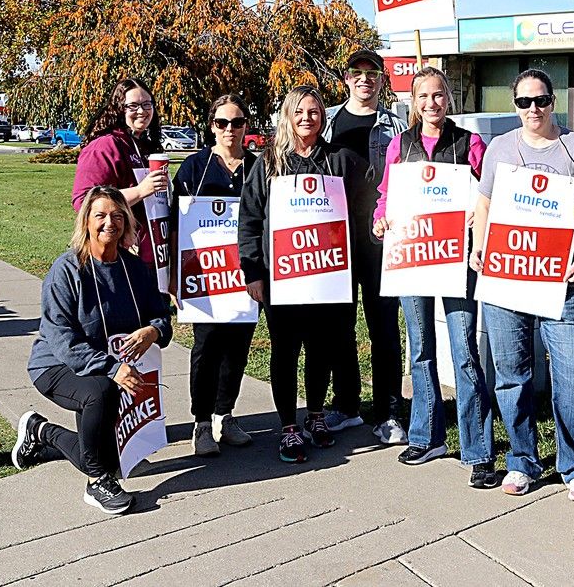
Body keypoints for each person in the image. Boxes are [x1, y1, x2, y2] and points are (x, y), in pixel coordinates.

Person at [470, 68, 574, 501]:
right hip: (507, 279)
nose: (533, 110)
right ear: (514, 106)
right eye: (524, 102)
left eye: (541, 101)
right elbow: (484, 203)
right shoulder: (500, 147)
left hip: (563, 284)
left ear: (554, 101)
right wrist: (479, 246)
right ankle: (522, 460)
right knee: (511, 376)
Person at [13, 186, 172, 515]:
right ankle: (96, 482)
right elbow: (60, 337)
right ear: (86, 221)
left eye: (117, 215)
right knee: (101, 393)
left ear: (127, 222)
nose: (109, 222)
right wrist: (112, 369)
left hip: (107, 368)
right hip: (56, 365)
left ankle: (42, 431)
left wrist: (153, 330)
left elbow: (162, 314)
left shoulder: (134, 269)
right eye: (100, 215)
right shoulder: (66, 270)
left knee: (110, 455)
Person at [372, 67, 496, 488]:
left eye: (438, 95)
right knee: (421, 349)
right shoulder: (399, 146)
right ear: (413, 101)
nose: (431, 103)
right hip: (412, 260)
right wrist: (380, 222)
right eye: (423, 96)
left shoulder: (469, 143)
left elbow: (487, 196)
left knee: (463, 351)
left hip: (455, 261)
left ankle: (477, 450)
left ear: (449, 99)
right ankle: (427, 436)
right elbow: (387, 197)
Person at [237, 86, 366, 463]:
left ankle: (315, 416)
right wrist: (253, 272)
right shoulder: (268, 164)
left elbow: (359, 211)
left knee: (321, 350)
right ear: (288, 117)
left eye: (315, 112)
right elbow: (250, 221)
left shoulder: (338, 160)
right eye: (300, 112)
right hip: (283, 278)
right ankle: (288, 427)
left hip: (327, 276)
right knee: (285, 352)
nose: (308, 118)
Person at [322, 48, 409, 444]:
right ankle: (347, 404)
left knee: (383, 327)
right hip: (336, 239)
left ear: (381, 79)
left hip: (381, 238)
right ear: (346, 78)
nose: (364, 79)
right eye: (356, 72)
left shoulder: (395, 123)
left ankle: (389, 410)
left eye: (372, 72)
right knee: (339, 325)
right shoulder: (328, 121)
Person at [170, 94, 257, 457]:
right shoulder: (195, 167)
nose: (229, 130)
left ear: (246, 126)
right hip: (203, 276)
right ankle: (201, 422)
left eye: (237, 123)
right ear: (211, 126)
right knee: (206, 348)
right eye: (222, 123)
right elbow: (175, 224)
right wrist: (174, 276)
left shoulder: (258, 167)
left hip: (245, 276)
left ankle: (226, 415)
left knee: (237, 348)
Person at [72, 78, 168, 271]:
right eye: (132, 105)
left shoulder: (145, 146)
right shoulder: (104, 146)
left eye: (147, 104)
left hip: (153, 256)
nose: (141, 111)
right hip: (119, 257)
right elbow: (83, 202)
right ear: (119, 109)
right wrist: (141, 191)